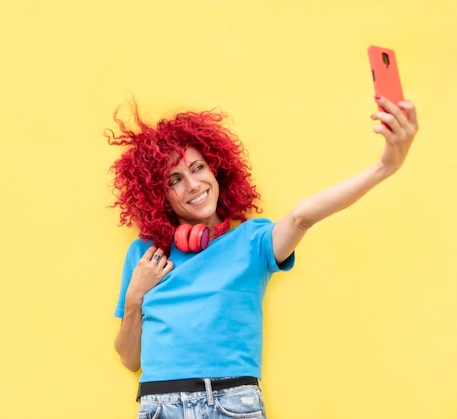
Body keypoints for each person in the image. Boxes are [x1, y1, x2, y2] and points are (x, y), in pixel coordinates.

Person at [106, 96, 418, 418]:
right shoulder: (146, 255)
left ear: (216, 171)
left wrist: (385, 167)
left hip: (230, 403)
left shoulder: (252, 240)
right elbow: (131, 360)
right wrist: (134, 297)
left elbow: (301, 217)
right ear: (160, 195)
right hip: (160, 405)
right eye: (175, 180)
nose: (193, 184)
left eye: (198, 168)